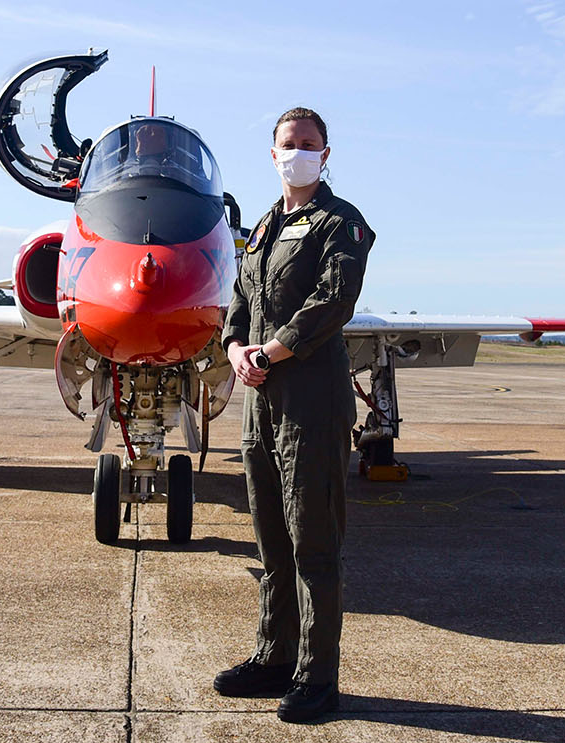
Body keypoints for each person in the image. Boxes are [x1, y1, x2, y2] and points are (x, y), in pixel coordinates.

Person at [214, 107, 374, 723]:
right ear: (273, 151)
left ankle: (317, 677)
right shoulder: (262, 227)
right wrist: (235, 348)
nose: (298, 152)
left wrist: (271, 351)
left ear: (325, 154)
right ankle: (274, 656)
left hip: (311, 401)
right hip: (259, 403)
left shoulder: (341, 222)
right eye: (289, 143)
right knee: (271, 540)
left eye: (310, 143)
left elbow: (334, 300)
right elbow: (240, 299)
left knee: (314, 542)